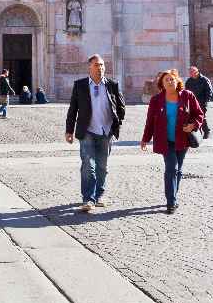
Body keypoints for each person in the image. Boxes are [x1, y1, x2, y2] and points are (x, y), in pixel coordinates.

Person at [65, 54, 126, 212]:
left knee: (102, 166)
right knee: (87, 165)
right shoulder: (80, 85)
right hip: (87, 131)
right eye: (97, 65)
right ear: (89, 67)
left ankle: (99, 195)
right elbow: (73, 109)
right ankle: (88, 199)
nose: (101, 68)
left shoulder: (112, 85)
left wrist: (117, 122)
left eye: (102, 65)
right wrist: (69, 130)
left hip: (106, 131)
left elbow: (121, 106)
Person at [140, 69, 205, 214]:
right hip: (165, 140)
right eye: (167, 80)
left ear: (177, 81)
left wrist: (193, 125)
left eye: (172, 79)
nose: (170, 82)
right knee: (171, 168)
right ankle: (171, 202)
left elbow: (199, 114)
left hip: (182, 139)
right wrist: (145, 138)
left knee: (179, 169)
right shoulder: (156, 100)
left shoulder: (188, 96)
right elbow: (150, 121)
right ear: (162, 84)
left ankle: (173, 195)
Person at [186, 66, 212, 138]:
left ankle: (206, 131)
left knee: (201, 117)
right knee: (193, 118)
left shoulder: (204, 80)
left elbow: (209, 91)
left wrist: (205, 102)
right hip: (192, 103)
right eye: (190, 72)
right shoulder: (189, 81)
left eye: (192, 72)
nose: (190, 74)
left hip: (202, 102)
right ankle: (197, 132)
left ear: (196, 72)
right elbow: (186, 92)